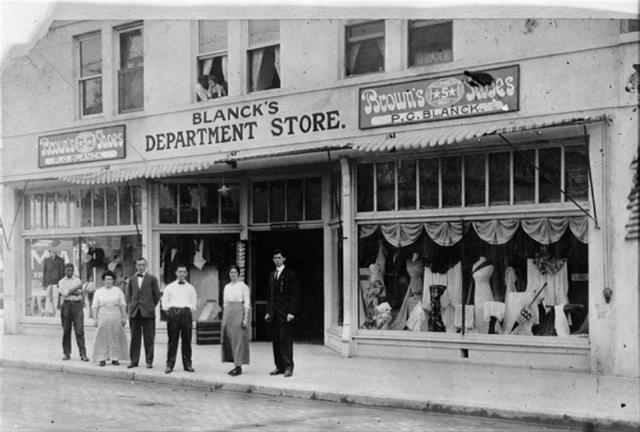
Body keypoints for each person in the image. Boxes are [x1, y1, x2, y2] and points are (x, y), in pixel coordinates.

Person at [264, 249, 300, 378]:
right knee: (276, 341)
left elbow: (295, 295)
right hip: (274, 314)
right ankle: (279, 366)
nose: (276, 260)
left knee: (286, 340)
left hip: (285, 314)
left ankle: (288, 366)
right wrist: (268, 311)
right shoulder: (272, 275)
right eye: (274, 258)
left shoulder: (290, 275)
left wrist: (291, 312)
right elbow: (269, 296)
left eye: (279, 257)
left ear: (284, 259)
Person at [125, 258, 161, 369]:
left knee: (149, 338)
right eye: (139, 264)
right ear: (136, 266)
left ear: (146, 266)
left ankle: (149, 361)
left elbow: (157, 296)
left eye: (143, 265)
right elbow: (128, 296)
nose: (141, 267)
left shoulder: (152, 279)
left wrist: (149, 306)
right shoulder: (132, 279)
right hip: (135, 312)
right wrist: (131, 308)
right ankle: (134, 361)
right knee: (135, 338)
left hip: (148, 313)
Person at [161, 264, 197, 374]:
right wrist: (170, 313)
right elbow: (164, 302)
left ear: (186, 274)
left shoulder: (190, 288)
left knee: (187, 340)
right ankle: (170, 364)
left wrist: (188, 311)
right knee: (173, 340)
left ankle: (188, 364)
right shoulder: (169, 287)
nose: (181, 274)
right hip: (173, 314)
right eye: (179, 271)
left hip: (186, 314)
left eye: (184, 272)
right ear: (176, 273)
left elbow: (193, 302)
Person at [91, 270, 129, 367]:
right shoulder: (99, 292)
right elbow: (95, 306)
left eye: (111, 279)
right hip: (103, 314)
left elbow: (123, 305)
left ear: (113, 281)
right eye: (107, 279)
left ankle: (115, 358)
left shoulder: (118, 291)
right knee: (102, 336)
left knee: (115, 335)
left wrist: (124, 317)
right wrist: (95, 319)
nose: (109, 281)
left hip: (115, 314)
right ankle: (102, 358)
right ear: (104, 281)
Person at [221, 264, 250, 376]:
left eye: (235, 272)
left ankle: (239, 366)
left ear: (238, 274)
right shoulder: (227, 287)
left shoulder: (243, 286)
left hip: (239, 311)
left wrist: (245, 319)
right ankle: (234, 363)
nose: (233, 274)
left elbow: (246, 303)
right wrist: (224, 318)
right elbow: (224, 304)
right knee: (229, 339)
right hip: (228, 312)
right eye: (231, 272)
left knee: (238, 339)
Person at [58, 263, 89, 362]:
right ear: (65, 271)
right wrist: (74, 289)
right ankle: (67, 353)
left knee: (79, 330)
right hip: (66, 305)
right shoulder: (62, 281)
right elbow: (64, 293)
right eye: (68, 270)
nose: (70, 272)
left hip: (77, 305)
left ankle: (83, 354)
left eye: (71, 270)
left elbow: (80, 292)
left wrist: (69, 291)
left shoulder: (77, 280)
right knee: (66, 330)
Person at [42, 249, 65, 316]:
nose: (51, 253)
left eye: (53, 251)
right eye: (50, 251)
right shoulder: (47, 260)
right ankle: (49, 313)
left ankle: (57, 313)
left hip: (57, 283)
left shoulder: (61, 260)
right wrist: (44, 283)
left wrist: (61, 283)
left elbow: (62, 272)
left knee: (56, 297)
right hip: (48, 282)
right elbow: (44, 272)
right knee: (48, 297)